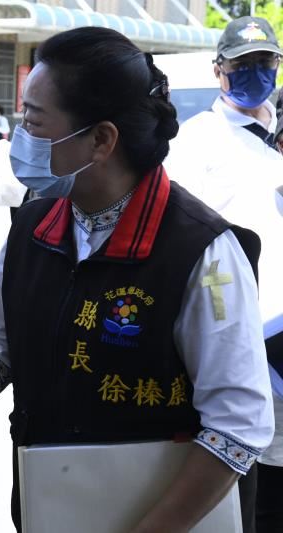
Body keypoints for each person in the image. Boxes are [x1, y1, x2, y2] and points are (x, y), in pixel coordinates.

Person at [0, 27, 275, 532]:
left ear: (100, 140)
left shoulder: (202, 252)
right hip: (53, 506)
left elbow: (237, 429)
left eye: (33, 120)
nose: (20, 136)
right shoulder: (35, 226)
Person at [164, 16, 283, 533]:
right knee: (251, 485)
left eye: (266, 61)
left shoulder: (277, 131)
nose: (257, 72)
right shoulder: (195, 143)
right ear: (219, 70)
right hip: (243, 336)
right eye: (243, 64)